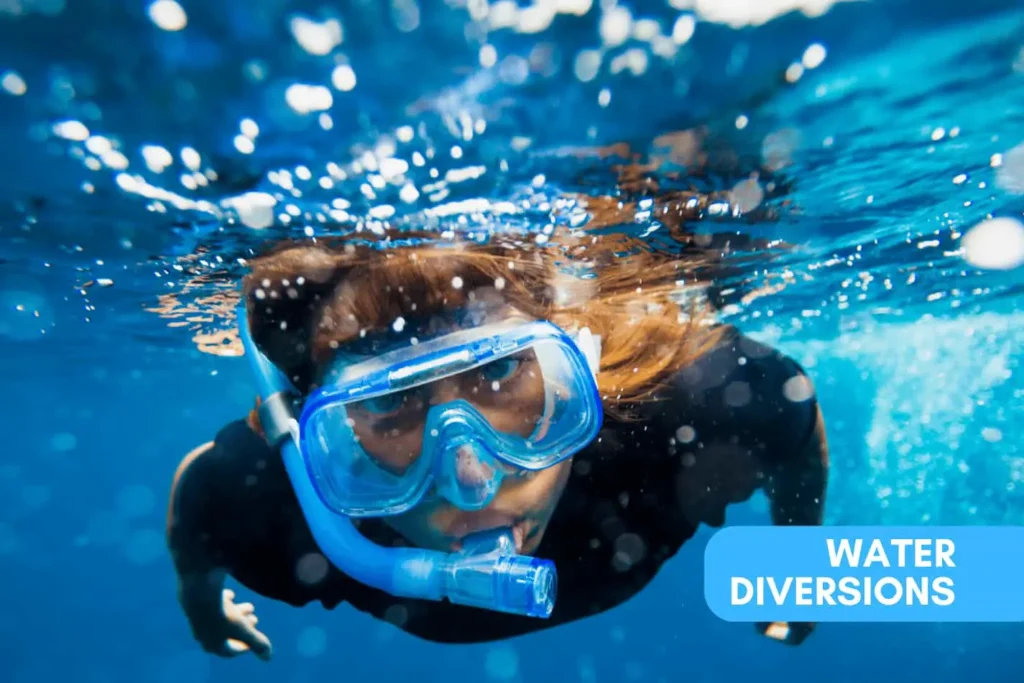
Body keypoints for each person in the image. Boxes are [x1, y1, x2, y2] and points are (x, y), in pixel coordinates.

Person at [165, 227, 829, 661]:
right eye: (388, 403)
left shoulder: (695, 402)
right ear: (311, 434)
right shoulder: (270, 504)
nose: (471, 476)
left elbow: (796, 427)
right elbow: (198, 497)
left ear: (580, 372)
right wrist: (202, 607)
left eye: (502, 372)